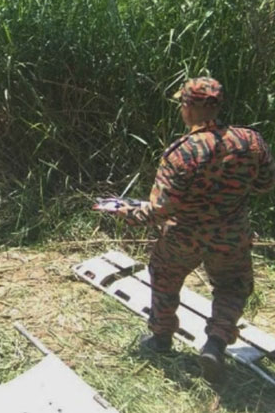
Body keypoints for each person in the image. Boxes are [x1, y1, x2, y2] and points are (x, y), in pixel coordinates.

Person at [109, 77, 274, 381]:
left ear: (188, 108)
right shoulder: (251, 142)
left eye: (182, 104)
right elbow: (265, 185)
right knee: (231, 286)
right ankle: (216, 342)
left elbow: (160, 209)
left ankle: (160, 338)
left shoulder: (181, 152)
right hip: (230, 236)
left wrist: (127, 212)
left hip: (183, 237)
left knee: (165, 278)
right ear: (218, 105)